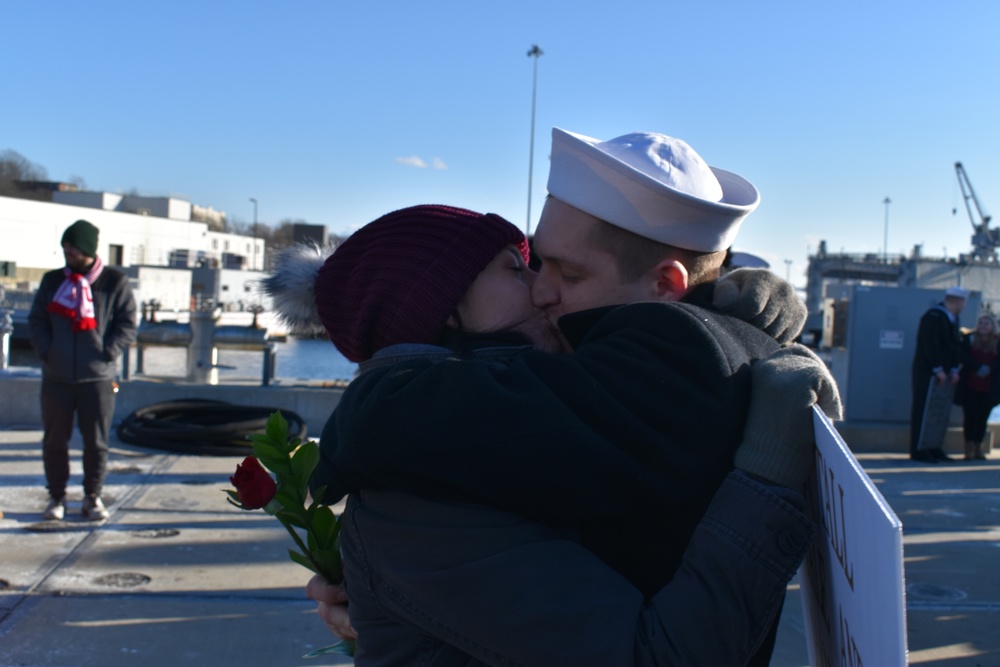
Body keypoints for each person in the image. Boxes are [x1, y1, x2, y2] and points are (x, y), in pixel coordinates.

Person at [262, 201, 838, 665]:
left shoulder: (497, 427)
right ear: (442, 309)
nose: (542, 289)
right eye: (519, 269)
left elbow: (633, 394)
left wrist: (724, 318)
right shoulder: (421, 489)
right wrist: (766, 472)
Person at [28, 219, 138, 521]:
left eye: (73, 249)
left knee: (96, 442)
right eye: (65, 248)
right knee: (54, 441)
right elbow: (36, 320)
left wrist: (107, 351)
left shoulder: (114, 282)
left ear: (88, 250)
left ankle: (92, 496)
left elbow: (128, 322)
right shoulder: (52, 282)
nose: (68, 254)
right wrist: (47, 351)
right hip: (57, 377)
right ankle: (57, 497)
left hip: (97, 377)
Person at [910, 285, 969, 462]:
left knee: (939, 412)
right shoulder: (934, 316)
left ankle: (934, 446)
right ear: (955, 301)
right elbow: (930, 345)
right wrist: (937, 369)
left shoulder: (953, 318)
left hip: (945, 373)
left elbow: (954, 347)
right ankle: (919, 449)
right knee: (924, 411)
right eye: (961, 302)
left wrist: (953, 369)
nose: (963, 305)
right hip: (928, 372)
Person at [958, 311, 1000, 460]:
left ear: (992, 326)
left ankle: (978, 446)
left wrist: (989, 369)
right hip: (970, 384)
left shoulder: (997, 341)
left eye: (986, 324)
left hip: (989, 387)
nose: (983, 326)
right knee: (970, 417)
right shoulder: (969, 338)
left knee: (982, 418)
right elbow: (963, 356)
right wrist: (977, 368)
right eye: (981, 323)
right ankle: (968, 447)